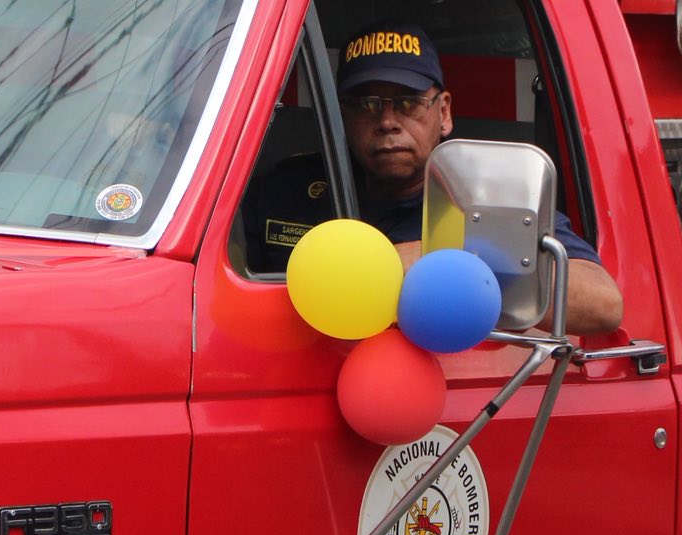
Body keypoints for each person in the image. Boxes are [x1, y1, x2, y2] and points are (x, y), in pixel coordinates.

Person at [248, 24, 624, 335]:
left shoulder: (487, 200)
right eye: (366, 105)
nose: (387, 121)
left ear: (443, 112)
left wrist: (440, 260)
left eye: (409, 102)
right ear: (342, 117)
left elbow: (603, 304)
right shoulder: (287, 190)